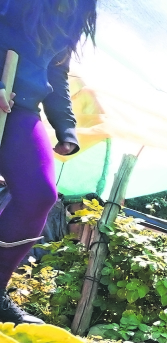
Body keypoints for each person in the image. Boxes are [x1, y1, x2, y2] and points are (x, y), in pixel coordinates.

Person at [0, 0, 96, 324]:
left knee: (39, 195)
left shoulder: (74, 9)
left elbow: (56, 69)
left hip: (21, 107)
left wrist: (65, 126)